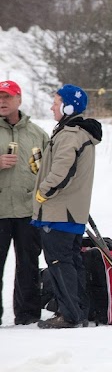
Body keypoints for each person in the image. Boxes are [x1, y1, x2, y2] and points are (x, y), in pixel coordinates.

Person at [33, 85, 102, 329]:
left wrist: (43, 191)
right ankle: (77, 311)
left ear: (68, 106)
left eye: (56, 102)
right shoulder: (73, 133)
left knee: (59, 264)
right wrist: (41, 169)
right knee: (71, 263)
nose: (52, 106)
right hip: (69, 212)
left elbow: (63, 173)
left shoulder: (70, 134)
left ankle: (70, 315)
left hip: (60, 212)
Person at [0, 80, 48, 325]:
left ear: (19, 99)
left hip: (28, 211)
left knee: (28, 266)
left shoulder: (37, 134)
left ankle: (28, 314)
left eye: (7, 97)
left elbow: (50, 169)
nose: (2, 101)